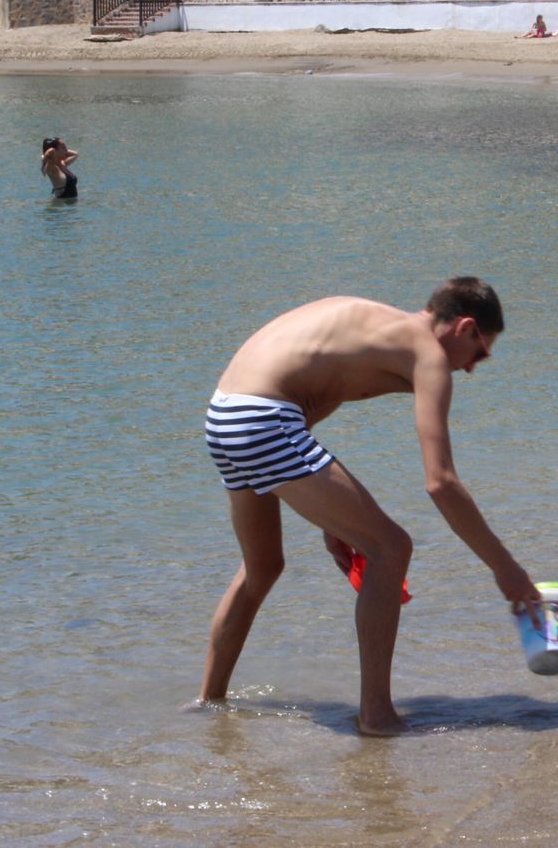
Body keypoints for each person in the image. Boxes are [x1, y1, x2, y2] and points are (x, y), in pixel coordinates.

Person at [197, 278, 540, 735]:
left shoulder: (371, 326)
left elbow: (316, 392)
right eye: (480, 353)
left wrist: (330, 518)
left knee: (262, 566)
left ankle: (208, 705)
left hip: (224, 416)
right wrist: (506, 570)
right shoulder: (428, 355)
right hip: (263, 420)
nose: (475, 368)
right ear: (465, 328)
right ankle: (376, 715)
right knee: (391, 548)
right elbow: (441, 483)